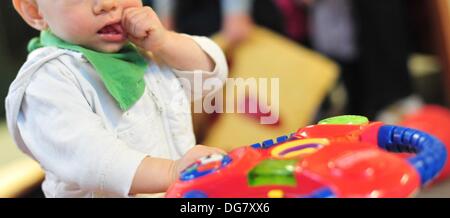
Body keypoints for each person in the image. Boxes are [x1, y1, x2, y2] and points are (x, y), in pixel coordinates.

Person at [5, 0, 228, 197]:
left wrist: (165, 42)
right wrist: (172, 172)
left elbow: (211, 76)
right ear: (35, 11)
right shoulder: (46, 82)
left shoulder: (147, 48)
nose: (107, 4)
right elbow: (93, 160)